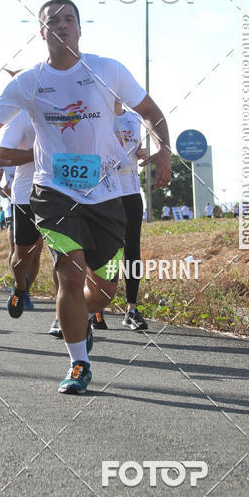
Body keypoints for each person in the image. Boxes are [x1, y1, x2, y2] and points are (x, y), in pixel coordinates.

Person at [0, 0, 171, 394]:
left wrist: (163, 148)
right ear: (42, 32)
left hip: (108, 193)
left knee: (101, 291)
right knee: (69, 271)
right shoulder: (28, 82)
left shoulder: (107, 70)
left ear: (81, 29)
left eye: (69, 20)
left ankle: (80, 321)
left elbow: (151, 110)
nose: (61, 26)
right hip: (53, 192)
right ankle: (78, 363)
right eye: (52, 21)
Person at [0, 111, 42, 319]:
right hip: (26, 195)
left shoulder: (68, 111)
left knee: (62, 256)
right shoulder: (21, 117)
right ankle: (20, 287)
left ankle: (63, 317)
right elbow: (3, 155)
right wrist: (39, 153)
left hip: (62, 193)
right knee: (23, 254)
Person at [113, 99, 149, 332]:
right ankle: (94, 309)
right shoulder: (96, 115)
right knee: (104, 251)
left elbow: (137, 150)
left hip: (131, 191)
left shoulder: (134, 118)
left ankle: (131, 309)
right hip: (105, 192)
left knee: (132, 250)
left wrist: (141, 151)